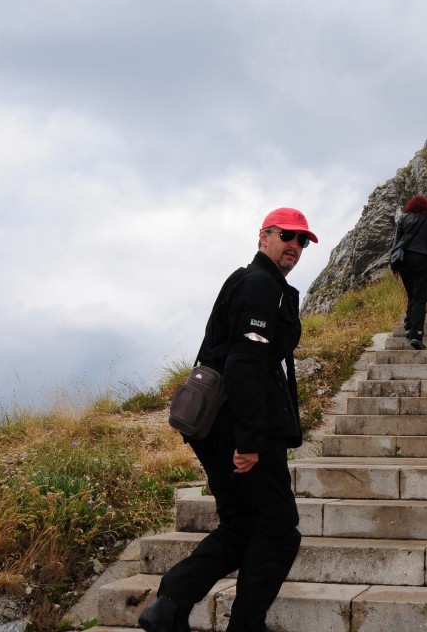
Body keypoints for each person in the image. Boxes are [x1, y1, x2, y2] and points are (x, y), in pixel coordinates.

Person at [139, 208, 317, 632]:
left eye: (302, 240)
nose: (294, 245)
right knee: (278, 531)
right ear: (263, 237)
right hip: (240, 426)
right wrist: (250, 440)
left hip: (217, 425)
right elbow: (243, 365)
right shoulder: (259, 284)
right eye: (286, 235)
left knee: (240, 526)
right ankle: (245, 625)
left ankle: (170, 604)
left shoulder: (254, 281)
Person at [391, 195, 427, 350]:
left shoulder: (403, 219)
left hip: (403, 262)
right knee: (420, 298)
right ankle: (416, 334)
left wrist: (393, 266)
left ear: (410, 206)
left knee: (412, 295)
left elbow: (396, 244)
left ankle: (408, 324)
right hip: (422, 261)